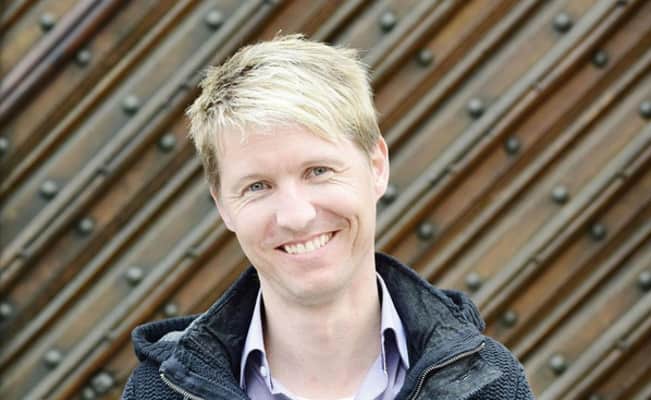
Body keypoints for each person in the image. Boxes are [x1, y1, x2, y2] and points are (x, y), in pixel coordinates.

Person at [122, 34, 534, 400]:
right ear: (223, 206)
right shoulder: (159, 393)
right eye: (257, 186)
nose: (296, 216)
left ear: (376, 166)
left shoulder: (491, 386)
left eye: (318, 171)